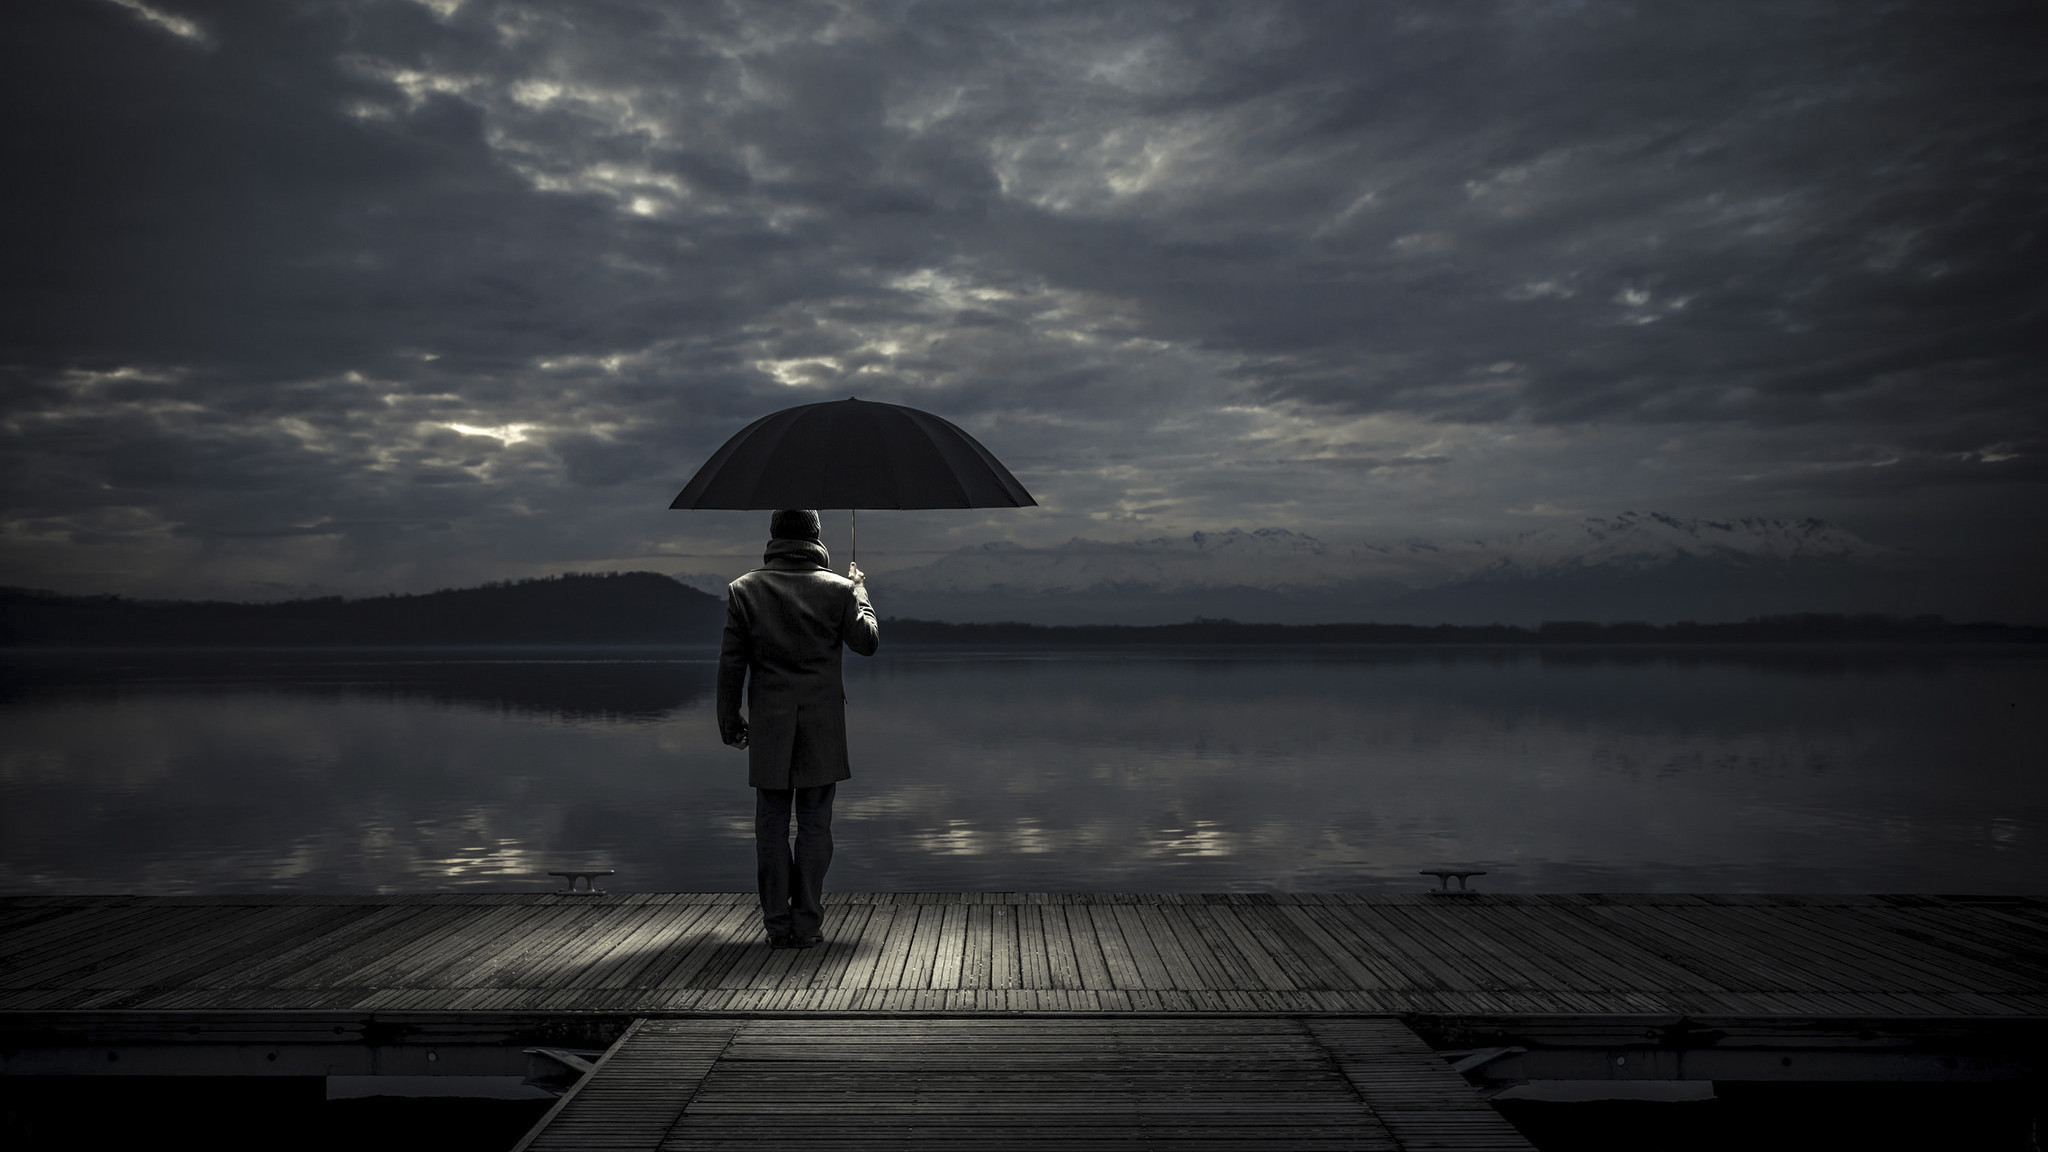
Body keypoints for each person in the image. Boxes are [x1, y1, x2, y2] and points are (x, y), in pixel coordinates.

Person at [716, 508, 879, 948]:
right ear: (816, 537)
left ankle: (776, 924)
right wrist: (860, 591)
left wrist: (729, 723)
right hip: (823, 726)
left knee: (769, 826)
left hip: (769, 725)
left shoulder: (744, 590)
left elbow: (731, 666)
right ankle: (807, 924)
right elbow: (868, 643)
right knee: (815, 826)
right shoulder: (839, 589)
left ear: (774, 536)